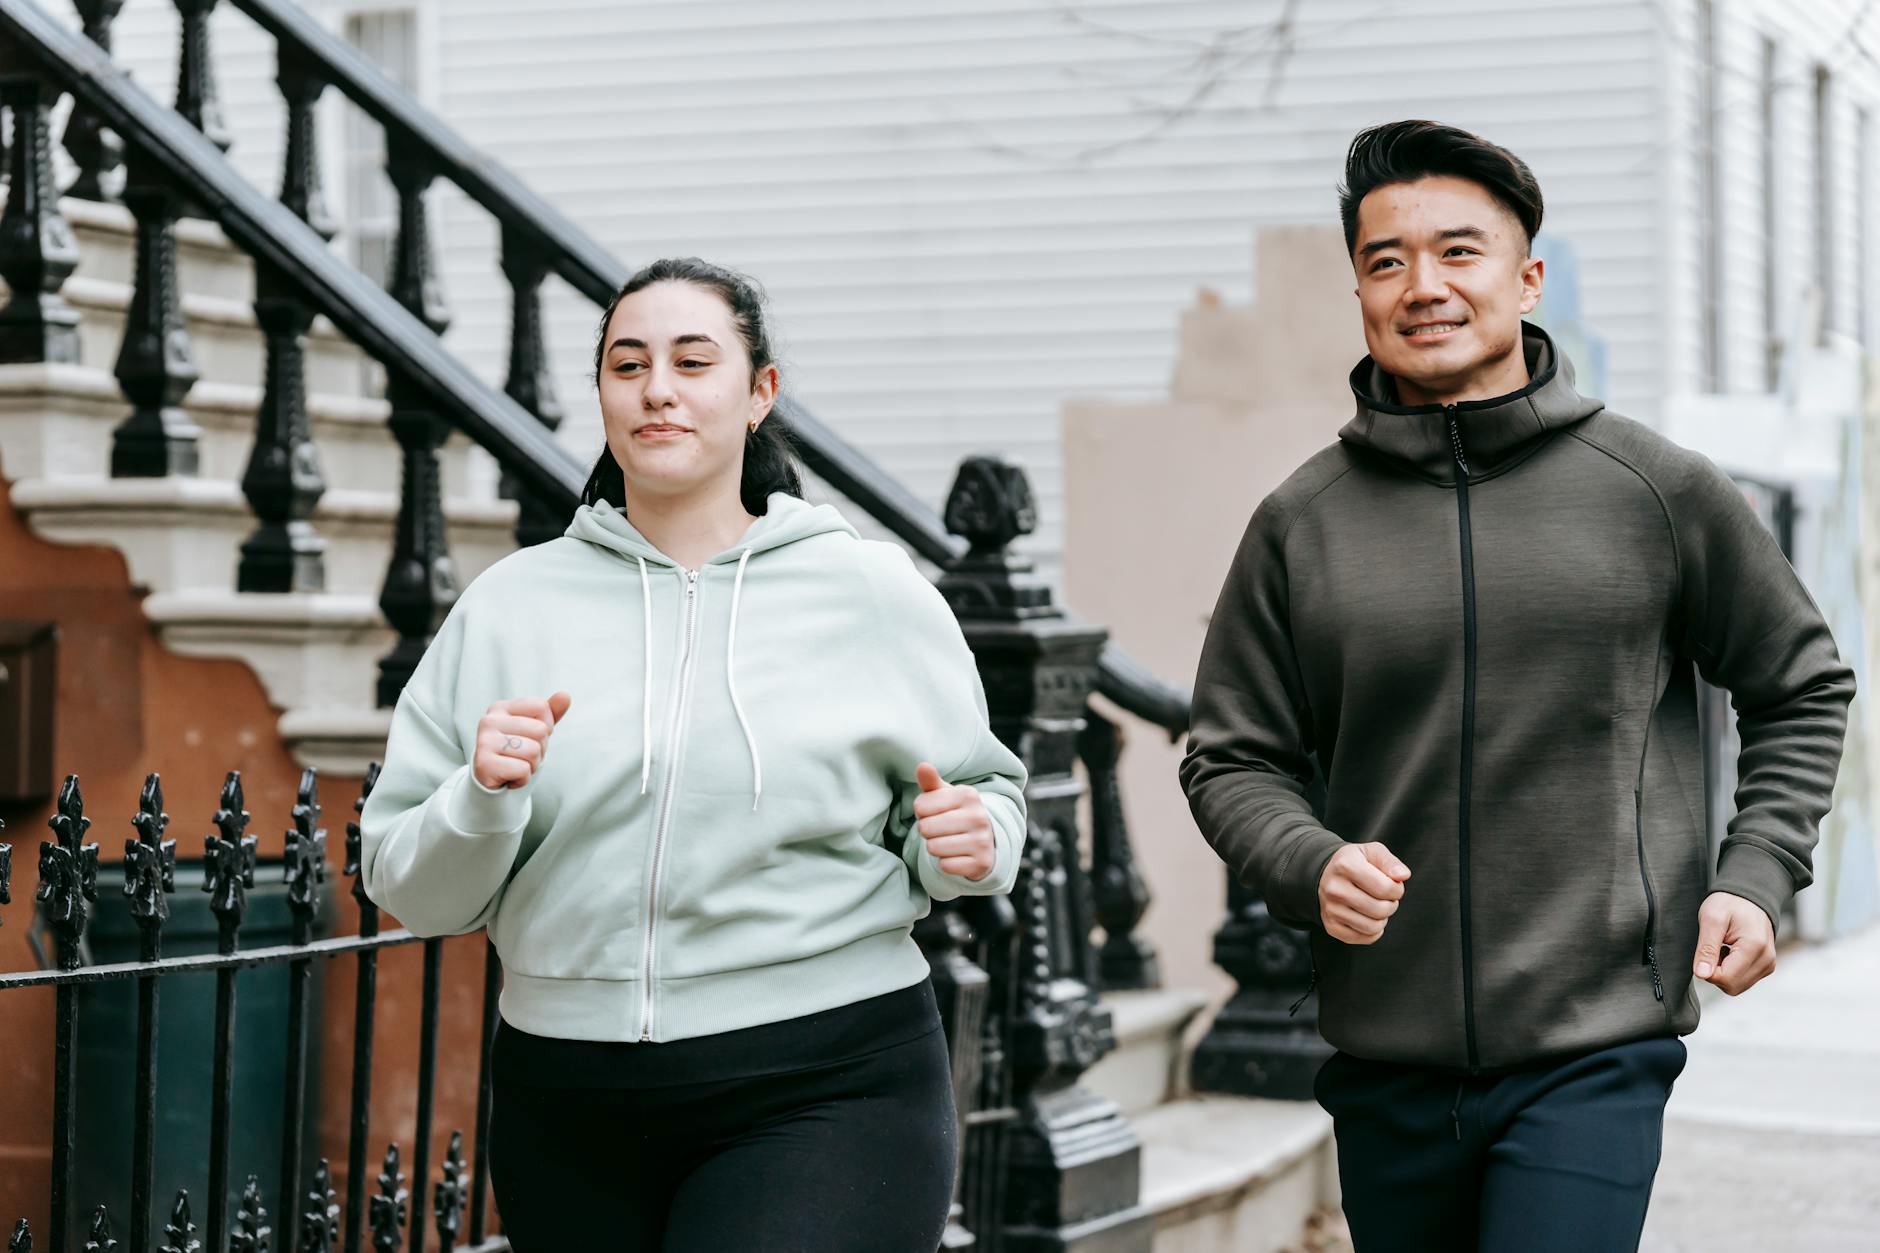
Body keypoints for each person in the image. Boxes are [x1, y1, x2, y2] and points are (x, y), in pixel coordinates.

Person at [1180, 120, 1855, 1253]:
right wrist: (1307, 858)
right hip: (1382, 1061)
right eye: (1386, 260)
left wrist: (1755, 869)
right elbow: (1227, 752)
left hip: (1592, 1044)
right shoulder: (1301, 522)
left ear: (1524, 276)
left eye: (1458, 252)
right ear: (1356, 287)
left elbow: (1799, 682)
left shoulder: (1653, 489)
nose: (1422, 285)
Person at [360, 257, 1027, 1252]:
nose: (657, 388)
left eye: (690, 361)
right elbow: (412, 888)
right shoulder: (508, 606)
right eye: (627, 365)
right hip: (566, 1094)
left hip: (826, 1083)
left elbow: (982, 793)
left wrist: (968, 840)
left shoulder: (865, 590)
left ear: (759, 392)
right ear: (601, 395)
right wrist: (482, 794)